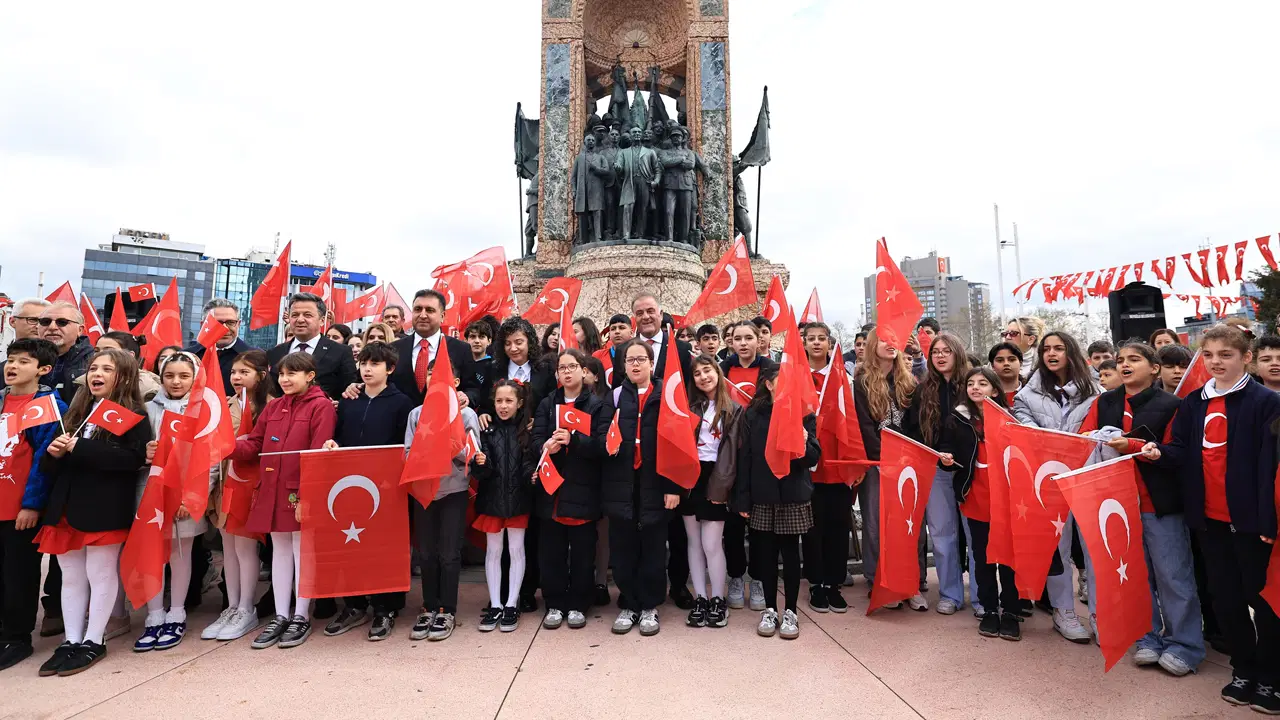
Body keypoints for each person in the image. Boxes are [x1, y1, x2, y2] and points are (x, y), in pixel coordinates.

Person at [1141, 325, 1280, 710]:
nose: (1216, 362)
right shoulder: (1193, 403)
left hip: (1252, 522)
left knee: (1264, 600)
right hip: (1209, 520)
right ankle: (1244, 669)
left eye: (1226, 355)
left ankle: (1271, 676)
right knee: (1225, 598)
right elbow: (1181, 449)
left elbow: (1272, 468)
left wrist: (1269, 521)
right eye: (1209, 355)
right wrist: (1159, 453)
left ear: (1246, 358)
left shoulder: (1265, 402)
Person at [1075, 341, 1203, 675]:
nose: (1125, 365)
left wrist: (1133, 445)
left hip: (1159, 504)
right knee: (1135, 577)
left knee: (1173, 576)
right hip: (1116, 504)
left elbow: (1178, 451)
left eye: (1134, 359)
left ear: (1154, 368)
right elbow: (1083, 437)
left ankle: (1185, 645)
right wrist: (1094, 437)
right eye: (1120, 361)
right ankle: (1147, 638)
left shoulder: (1173, 404)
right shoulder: (1104, 402)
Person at [35, 349, 151, 676]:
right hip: (66, 508)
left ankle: (93, 640)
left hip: (104, 508)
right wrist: (55, 452)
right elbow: (49, 466)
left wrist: (80, 448)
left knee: (99, 574)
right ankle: (71, 641)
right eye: (93, 368)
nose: (96, 374)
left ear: (124, 376)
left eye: (107, 369)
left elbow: (131, 460)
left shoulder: (134, 416)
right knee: (70, 576)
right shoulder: (76, 411)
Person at [231, 352, 337, 649]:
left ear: (310, 376)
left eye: (293, 374)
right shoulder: (274, 406)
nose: (285, 380)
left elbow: (318, 456)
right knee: (279, 550)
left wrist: (307, 495)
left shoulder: (321, 407)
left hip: (299, 490)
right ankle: (281, 615)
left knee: (302, 551)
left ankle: (301, 615)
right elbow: (254, 443)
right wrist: (226, 447)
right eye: (281, 374)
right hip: (271, 488)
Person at [320, 342, 414, 641]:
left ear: (390, 368)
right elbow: (339, 434)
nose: (367, 369)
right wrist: (333, 444)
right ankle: (354, 604)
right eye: (363, 363)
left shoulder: (402, 403)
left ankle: (386, 608)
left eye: (375, 363)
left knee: (384, 549)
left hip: (386, 488)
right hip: (350, 486)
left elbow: (404, 446)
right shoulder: (350, 399)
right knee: (352, 545)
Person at [1012, 330, 1098, 643]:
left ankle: (1100, 616)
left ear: (1070, 352)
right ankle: (1064, 613)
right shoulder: (1028, 395)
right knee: (1057, 550)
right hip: (1049, 481)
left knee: (1094, 550)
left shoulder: (1095, 391)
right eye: (1046, 349)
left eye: (1059, 348)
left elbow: (1103, 428)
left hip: (1088, 478)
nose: (1051, 353)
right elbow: (1024, 427)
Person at [612, 294, 696, 611]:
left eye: (651, 311)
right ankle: (634, 591)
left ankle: (677, 586)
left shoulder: (683, 350)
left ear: (661, 314)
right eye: (640, 312)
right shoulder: (627, 351)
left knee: (675, 531)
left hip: (672, 450)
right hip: (638, 459)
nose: (646, 316)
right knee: (643, 531)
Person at [733, 363, 821, 640]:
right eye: (778, 381)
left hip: (793, 493)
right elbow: (746, 458)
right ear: (768, 385)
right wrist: (743, 498)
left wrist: (805, 443)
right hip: (763, 493)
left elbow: (813, 458)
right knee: (765, 554)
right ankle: (770, 608)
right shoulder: (754, 414)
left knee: (791, 555)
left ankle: (791, 611)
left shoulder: (803, 413)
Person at [474, 317, 555, 614]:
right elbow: (486, 402)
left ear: (530, 342)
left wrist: (540, 424)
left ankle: (524, 592)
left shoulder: (545, 369)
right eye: (507, 343)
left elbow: (550, 401)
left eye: (519, 342)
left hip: (528, 449)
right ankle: (500, 594)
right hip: (500, 448)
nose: (513, 348)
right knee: (498, 542)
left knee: (526, 535)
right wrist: (484, 413)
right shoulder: (494, 369)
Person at [133, 352, 212, 653]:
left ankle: (176, 612)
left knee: (182, 553)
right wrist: (144, 453)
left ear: (195, 377)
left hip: (186, 496)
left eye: (183, 376)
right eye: (170, 376)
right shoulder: (147, 409)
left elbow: (211, 459)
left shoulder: (204, 409)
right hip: (149, 493)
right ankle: (154, 614)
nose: (176, 381)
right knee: (152, 553)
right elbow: (133, 449)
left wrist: (192, 496)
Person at [602, 339, 678, 636]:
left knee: (653, 549)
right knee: (623, 549)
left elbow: (676, 444)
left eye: (640, 359)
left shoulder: (666, 395)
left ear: (650, 363)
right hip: (622, 484)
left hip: (655, 483)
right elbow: (601, 434)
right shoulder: (616, 396)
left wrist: (672, 486)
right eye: (629, 360)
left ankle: (649, 605)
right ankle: (629, 603)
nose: (635, 364)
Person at [939, 367, 1020, 641]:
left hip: (1007, 498)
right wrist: (945, 459)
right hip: (975, 496)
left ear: (994, 390)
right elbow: (946, 451)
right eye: (971, 383)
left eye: (983, 383)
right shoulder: (957, 420)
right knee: (982, 556)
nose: (975, 387)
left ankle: (1010, 610)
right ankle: (988, 609)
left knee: (1009, 557)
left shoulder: (1011, 420)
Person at [0, 338, 66, 671]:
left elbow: (45, 461)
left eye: (23, 361)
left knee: (18, 574)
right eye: (11, 360)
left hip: (18, 510)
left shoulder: (48, 406)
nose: (13, 366)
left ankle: (16, 637)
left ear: (43, 369)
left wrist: (32, 504)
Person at [532, 350, 608, 632]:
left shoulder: (597, 405)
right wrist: (545, 446)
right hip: (551, 489)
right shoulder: (546, 404)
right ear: (556, 375)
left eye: (572, 366)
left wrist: (574, 441)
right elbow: (535, 439)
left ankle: (578, 603)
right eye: (562, 367)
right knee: (551, 551)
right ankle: (554, 602)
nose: (567, 372)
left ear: (583, 371)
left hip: (583, 488)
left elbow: (603, 446)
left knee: (582, 552)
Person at [404, 367, 481, 642]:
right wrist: (426, 451)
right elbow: (408, 452)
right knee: (426, 552)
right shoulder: (416, 414)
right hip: (425, 490)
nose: (433, 381)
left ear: (456, 382)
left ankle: (447, 609)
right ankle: (428, 606)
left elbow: (473, 456)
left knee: (449, 553)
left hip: (454, 490)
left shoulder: (466, 415)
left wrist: (452, 447)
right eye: (429, 376)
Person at [201, 350, 269, 642]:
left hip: (251, 481)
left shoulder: (269, 406)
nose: (237, 377)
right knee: (227, 547)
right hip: (226, 480)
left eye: (245, 372)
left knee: (245, 548)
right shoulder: (226, 404)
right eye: (234, 373)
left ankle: (246, 607)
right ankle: (231, 606)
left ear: (262, 376)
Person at [905, 332, 972, 615]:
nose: (941, 356)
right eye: (935, 352)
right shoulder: (922, 390)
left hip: (971, 470)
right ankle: (950, 593)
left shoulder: (973, 384)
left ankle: (981, 598)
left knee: (974, 537)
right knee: (943, 535)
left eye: (946, 351)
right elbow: (912, 431)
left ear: (957, 354)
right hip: (936, 469)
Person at [853, 330, 917, 607]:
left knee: (907, 523)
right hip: (877, 463)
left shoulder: (910, 381)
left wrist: (909, 456)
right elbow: (865, 426)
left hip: (908, 463)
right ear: (871, 346)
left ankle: (909, 582)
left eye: (895, 340)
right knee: (874, 521)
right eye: (884, 340)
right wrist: (884, 458)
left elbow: (915, 424)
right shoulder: (862, 382)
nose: (891, 344)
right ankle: (876, 578)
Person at [682, 354, 742, 628]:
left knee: (711, 544)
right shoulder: (688, 407)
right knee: (693, 543)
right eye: (697, 374)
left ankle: (719, 598)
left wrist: (724, 485)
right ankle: (701, 598)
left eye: (708, 371)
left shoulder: (734, 409)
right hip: (690, 477)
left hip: (717, 477)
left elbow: (733, 453)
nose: (703, 377)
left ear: (717, 373)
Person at [472, 380, 536, 632]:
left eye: (509, 401)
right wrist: (480, 462)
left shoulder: (527, 432)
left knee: (517, 549)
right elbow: (482, 472)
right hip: (492, 500)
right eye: (499, 401)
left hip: (519, 499)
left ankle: (512, 603)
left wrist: (531, 476)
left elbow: (528, 463)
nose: (503, 406)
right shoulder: (486, 432)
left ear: (519, 403)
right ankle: (496, 604)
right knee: (494, 551)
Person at [800, 322, 854, 614]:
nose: (817, 343)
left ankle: (834, 584)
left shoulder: (842, 377)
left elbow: (853, 419)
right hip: (808, 466)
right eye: (812, 339)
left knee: (837, 526)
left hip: (838, 462)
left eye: (822, 339)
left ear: (830, 344)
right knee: (812, 529)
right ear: (804, 344)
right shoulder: (796, 377)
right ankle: (816, 584)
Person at [386, 290, 475, 406]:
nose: (422, 315)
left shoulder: (461, 349)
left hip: (442, 419)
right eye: (417, 309)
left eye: (430, 310)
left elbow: (474, 389)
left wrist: (466, 396)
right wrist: (356, 386)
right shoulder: (393, 349)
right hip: (401, 421)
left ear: (442, 316)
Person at [265, 293, 359, 400]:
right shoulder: (275, 353)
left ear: (322, 320)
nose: (300, 320)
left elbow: (349, 390)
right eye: (295, 315)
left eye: (307, 315)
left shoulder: (341, 352)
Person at [182, 299, 254, 389]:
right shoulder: (187, 356)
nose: (225, 328)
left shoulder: (254, 357)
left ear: (238, 324)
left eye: (231, 322)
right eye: (218, 323)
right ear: (203, 324)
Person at [37, 302, 92, 405]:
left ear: (80, 330)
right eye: (45, 322)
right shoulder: (19, 360)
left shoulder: (94, 362)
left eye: (62, 322)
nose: (52, 327)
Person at [721, 322, 774, 409]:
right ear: (732, 343)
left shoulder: (771, 369)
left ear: (758, 342)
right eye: (737, 339)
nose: (743, 343)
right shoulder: (721, 369)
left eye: (749, 338)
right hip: (731, 421)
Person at [592, 314, 634, 389]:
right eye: (613, 329)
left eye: (622, 328)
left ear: (631, 332)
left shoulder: (638, 354)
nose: (617, 332)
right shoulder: (598, 356)